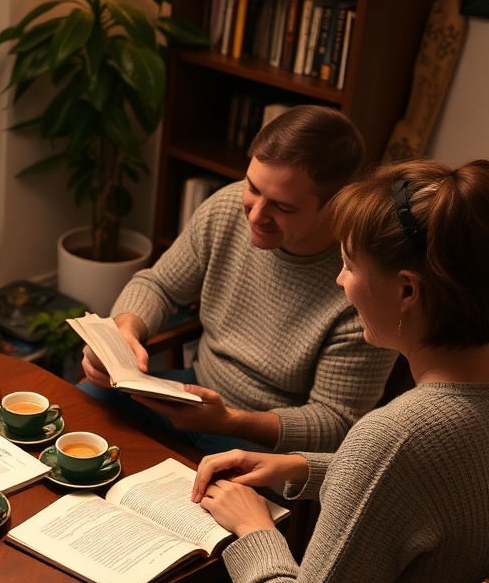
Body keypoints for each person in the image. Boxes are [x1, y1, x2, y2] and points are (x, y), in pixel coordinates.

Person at [135, 158, 489, 583]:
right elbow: (438, 505)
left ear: (408, 292)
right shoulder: (452, 420)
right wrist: (303, 469)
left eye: (351, 265)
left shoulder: (400, 438)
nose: (341, 280)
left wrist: (254, 528)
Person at [81, 105, 398, 455]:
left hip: (264, 438)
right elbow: (159, 284)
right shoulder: (228, 208)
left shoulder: (363, 282)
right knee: (80, 407)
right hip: (194, 393)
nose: (256, 214)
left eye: (283, 207)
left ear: (337, 203)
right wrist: (125, 331)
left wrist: (230, 421)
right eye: (253, 187)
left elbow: (336, 421)